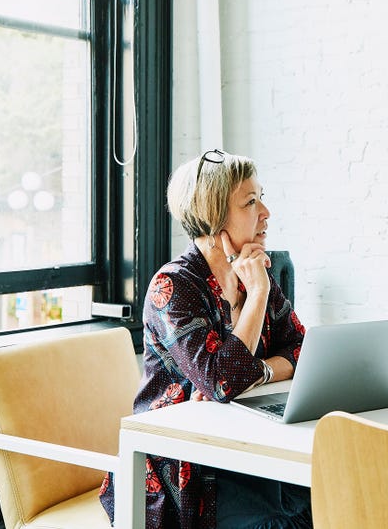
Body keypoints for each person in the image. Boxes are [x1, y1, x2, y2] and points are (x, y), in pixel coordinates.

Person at [100, 149, 311, 528]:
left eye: (261, 198)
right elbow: (221, 381)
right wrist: (258, 297)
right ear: (214, 217)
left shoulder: (250, 270)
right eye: (250, 202)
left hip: (245, 446)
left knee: (334, 498)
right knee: (281, 524)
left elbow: (302, 349)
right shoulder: (174, 285)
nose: (265, 212)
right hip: (185, 465)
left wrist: (257, 372)